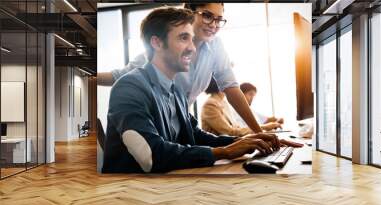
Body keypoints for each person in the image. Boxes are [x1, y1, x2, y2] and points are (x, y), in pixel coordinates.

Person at [102, 7, 286, 173]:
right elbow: (150, 155)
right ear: (157, 43)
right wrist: (224, 152)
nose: (192, 48)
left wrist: (249, 142)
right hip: (131, 193)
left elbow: (195, 136)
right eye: (183, 38)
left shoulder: (176, 92)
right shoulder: (129, 87)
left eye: (191, 39)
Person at [97, 3, 263, 134]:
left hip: (178, 126)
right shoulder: (161, 52)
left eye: (219, 19)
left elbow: (231, 87)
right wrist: (87, 77)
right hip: (153, 127)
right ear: (190, 12)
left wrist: (259, 133)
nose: (214, 24)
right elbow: (118, 77)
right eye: (207, 16)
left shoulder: (215, 46)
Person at [201, 78, 282, 137]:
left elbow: (236, 128)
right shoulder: (210, 104)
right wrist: (264, 127)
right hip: (220, 152)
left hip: (230, 145)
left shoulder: (223, 102)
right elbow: (229, 132)